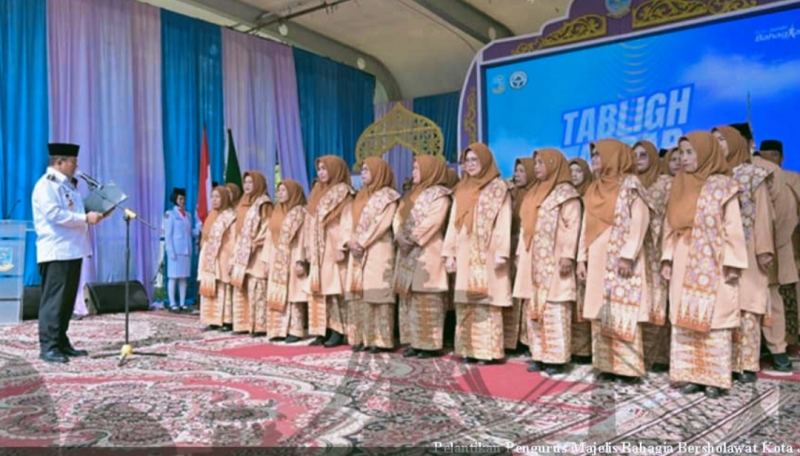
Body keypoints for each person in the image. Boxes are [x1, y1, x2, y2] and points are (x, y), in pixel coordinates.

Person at [661, 131, 746, 398]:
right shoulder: (679, 183)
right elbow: (669, 224)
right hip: (683, 257)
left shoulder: (723, 185)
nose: (684, 158)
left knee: (714, 317)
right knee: (686, 317)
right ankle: (690, 375)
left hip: (714, 261)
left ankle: (714, 379)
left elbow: (733, 226)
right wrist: (666, 257)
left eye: (690, 152)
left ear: (705, 152)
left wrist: (733, 261)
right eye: (681, 153)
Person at [577, 139, 651, 385]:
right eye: (593, 156)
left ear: (614, 157)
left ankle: (627, 369)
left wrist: (628, 255)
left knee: (622, 311)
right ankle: (606, 365)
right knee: (601, 312)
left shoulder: (630, 186)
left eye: (599, 155)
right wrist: (581, 258)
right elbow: (585, 228)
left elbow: (639, 221)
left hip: (621, 262)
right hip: (597, 260)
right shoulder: (594, 188)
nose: (594, 160)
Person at [32, 143, 105, 363]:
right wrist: (85, 218)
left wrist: (96, 212)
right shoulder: (47, 185)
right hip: (56, 250)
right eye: (73, 161)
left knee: (66, 301)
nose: (76, 165)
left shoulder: (68, 186)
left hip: (72, 249)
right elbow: (55, 214)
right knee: (54, 301)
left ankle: (61, 341)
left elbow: (75, 210)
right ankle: (49, 346)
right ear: (59, 162)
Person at [713, 125, 774, 383]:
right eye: (713, 141)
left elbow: (762, 215)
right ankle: (725, 362)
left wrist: (763, 250)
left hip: (748, 249)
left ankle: (747, 364)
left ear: (736, 143)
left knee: (748, 307)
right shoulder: (713, 176)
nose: (717, 145)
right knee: (726, 306)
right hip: (718, 251)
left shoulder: (753, 175)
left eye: (721, 140)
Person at [443, 143, 512, 365]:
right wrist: (449, 253)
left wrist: (502, 252)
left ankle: (487, 352)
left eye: (474, 160)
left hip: (488, 252)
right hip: (464, 253)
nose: (470, 165)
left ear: (485, 161)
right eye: (467, 161)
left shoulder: (498, 187)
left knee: (486, 303)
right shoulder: (462, 188)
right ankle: (467, 349)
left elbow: (504, 221)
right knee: (465, 303)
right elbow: (454, 223)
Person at [518, 148, 581, 375]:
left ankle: (556, 358)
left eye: (541, 163)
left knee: (554, 307)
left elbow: (571, 225)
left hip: (554, 260)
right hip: (533, 261)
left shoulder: (566, 194)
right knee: (534, 308)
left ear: (554, 164)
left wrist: (568, 255)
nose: (536, 167)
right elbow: (527, 228)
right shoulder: (535, 191)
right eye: (535, 163)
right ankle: (538, 355)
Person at [394, 155, 452, 358]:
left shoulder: (440, 196)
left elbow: (434, 221)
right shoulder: (410, 195)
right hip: (406, 252)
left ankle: (429, 345)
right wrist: (399, 236)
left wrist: (411, 239)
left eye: (418, 169)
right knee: (409, 300)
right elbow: (397, 218)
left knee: (427, 298)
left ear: (430, 170)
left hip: (427, 252)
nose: (413, 173)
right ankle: (414, 342)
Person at [343, 158, 400, 353]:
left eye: (368, 170)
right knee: (359, 296)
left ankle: (380, 340)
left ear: (378, 172)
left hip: (377, 249)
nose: (364, 173)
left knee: (378, 295)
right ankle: (361, 338)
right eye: (363, 170)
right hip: (357, 251)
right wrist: (350, 241)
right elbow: (348, 222)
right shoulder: (359, 196)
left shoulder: (389, 197)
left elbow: (383, 223)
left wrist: (362, 242)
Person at [305, 155, 354, 347]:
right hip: (317, 246)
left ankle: (337, 330)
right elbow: (310, 222)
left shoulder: (344, 192)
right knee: (318, 289)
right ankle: (321, 330)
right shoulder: (317, 191)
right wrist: (308, 248)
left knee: (334, 289)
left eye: (325, 168)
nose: (321, 173)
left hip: (333, 245)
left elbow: (348, 220)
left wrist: (343, 244)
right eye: (319, 169)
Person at [633, 140, 674, 372]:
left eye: (643, 155)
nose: (638, 159)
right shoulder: (629, 183)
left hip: (658, 250)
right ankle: (640, 356)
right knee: (639, 304)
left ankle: (661, 357)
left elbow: (671, 215)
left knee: (659, 303)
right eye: (634, 155)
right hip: (635, 252)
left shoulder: (666, 183)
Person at [265, 179, 309, 343]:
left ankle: (295, 331)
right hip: (276, 256)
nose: (280, 194)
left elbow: (303, 238)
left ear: (293, 192)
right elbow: (270, 236)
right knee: (277, 293)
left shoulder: (300, 212)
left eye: (284, 191)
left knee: (293, 295)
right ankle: (277, 329)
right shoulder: (277, 211)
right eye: (279, 191)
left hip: (292, 256)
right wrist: (266, 261)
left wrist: (300, 260)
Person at [230, 171, 272, 336]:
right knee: (243, 288)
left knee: (258, 288)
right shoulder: (244, 202)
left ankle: (260, 326)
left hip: (258, 252)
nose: (247, 185)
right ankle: (244, 324)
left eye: (250, 182)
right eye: (245, 182)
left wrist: (255, 243)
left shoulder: (264, 203)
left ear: (258, 184)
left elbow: (267, 226)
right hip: (243, 252)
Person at [507, 158, 537, 354]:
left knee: (526, 295)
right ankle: (510, 340)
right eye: (515, 171)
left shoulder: (536, 195)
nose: (517, 175)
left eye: (521, 171)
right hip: (509, 245)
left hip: (527, 246)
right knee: (511, 293)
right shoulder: (511, 194)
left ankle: (526, 340)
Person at [198, 186, 237, 331]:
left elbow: (233, 239)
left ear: (225, 198)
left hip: (224, 256)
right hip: (210, 258)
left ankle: (226, 321)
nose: (214, 200)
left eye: (217, 197)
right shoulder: (211, 215)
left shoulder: (231, 216)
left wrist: (232, 260)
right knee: (210, 287)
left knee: (223, 288)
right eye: (212, 197)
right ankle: (212, 320)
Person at [568, 157, 593, 363]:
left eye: (578, 171)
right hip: (569, 253)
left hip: (587, 254)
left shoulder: (592, 194)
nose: (574, 175)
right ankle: (574, 347)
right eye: (571, 171)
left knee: (585, 302)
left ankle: (586, 350)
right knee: (572, 301)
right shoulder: (565, 197)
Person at [164, 188, 195, 312]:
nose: (182, 201)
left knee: (183, 277)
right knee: (173, 277)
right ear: (175, 199)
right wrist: (170, 250)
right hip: (175, 251)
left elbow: (189, 232)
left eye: (184, 199)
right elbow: (168, 234)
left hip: (186, 250)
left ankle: (182, 303)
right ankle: (172, 303)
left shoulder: (188, 215)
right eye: (180, 199)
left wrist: (198, 230)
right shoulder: (170, 214)